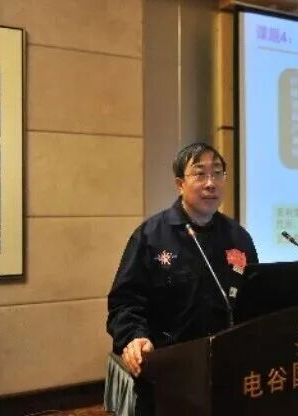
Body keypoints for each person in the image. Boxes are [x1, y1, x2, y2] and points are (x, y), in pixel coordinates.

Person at [106, 142, 258, 411]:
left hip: (227, 369)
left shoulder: (238, 237)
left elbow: (255, 296)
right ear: (179, 184)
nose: (210, 183)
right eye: (200, 174)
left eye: (217, 173)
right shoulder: (151, 236)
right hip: (169, 371)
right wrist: (134, 337)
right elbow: (125, 302)